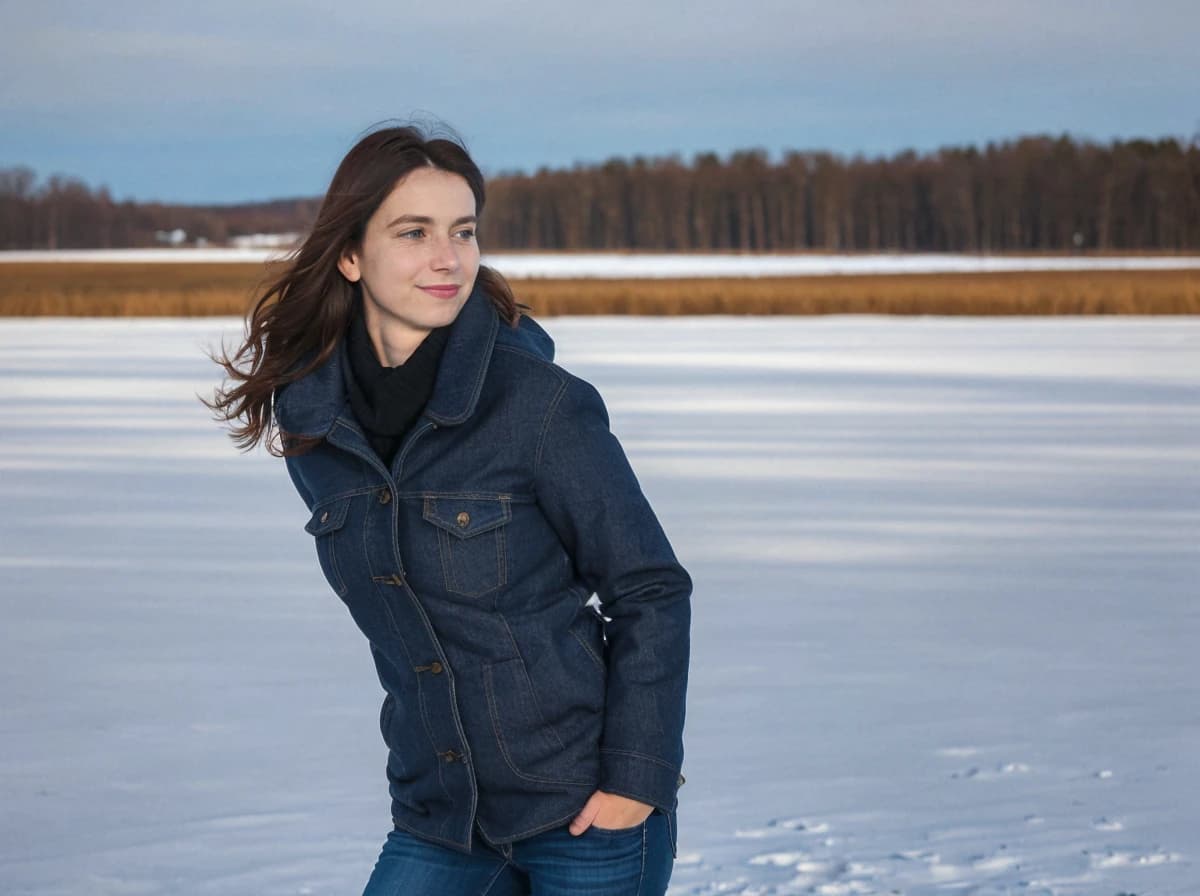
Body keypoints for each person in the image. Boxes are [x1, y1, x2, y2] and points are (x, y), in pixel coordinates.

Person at [207, 124, 692, 896]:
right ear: (350, 254)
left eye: (464, 232)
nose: (448, 257)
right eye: (415, 233)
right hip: (441, 816)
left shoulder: (537, 406)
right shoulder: (316, 426)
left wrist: (637, 780)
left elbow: (650, 588)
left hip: (585, 813)